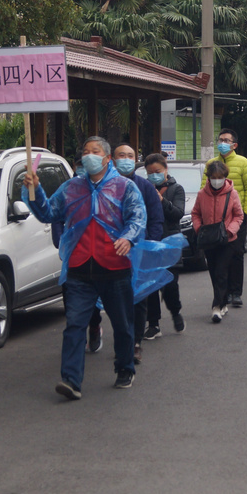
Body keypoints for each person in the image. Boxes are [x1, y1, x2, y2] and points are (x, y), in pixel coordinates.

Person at [22, 136, 146, 395]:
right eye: (85, 151)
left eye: (95, 151)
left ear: (106, 158)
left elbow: (137, 217)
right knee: (74, 326)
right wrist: (34, 191)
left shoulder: (125, 187)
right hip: (79, 269)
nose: (89, 155)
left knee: (123, 324)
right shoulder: (71, 188)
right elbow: (48, 212)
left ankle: (125, 368)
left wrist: (127, 237)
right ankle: (71, 380)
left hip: (114, 267)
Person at [88, 143, 163, 364]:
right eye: (122, 155)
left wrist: (150, 247)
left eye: (131, 156)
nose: (126, 159)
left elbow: (155, 220)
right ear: (112, 159)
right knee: (95, 296)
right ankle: (94, 325)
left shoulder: (145, 187)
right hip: (104, 254)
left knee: (137, 298)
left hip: (136, 253)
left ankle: (135, 343)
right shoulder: (100, 187)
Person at [201, 128, 247, 308]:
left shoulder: (243, 163)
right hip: (214, 221)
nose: (222, 143)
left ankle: (235, 292)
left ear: (234, 145)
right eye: (220, 140)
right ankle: (220, 294)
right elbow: (203, 192)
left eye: (226, 140)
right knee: (217, 258)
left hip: (237, 218)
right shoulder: (211, 163)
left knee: (236, 255)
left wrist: (246, 213)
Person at [192, 160, 244, 322]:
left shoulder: (232, 193)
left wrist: (230, 230)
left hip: (227, 240)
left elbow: (238, 215)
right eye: (213, 177)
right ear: (208, 178)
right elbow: (196, 214)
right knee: (214, 272)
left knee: (221, 271)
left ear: (224, 177)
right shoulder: (202, 194)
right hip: (209, 239)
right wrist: (199, 228)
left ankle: (217, 306)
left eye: (219, 177)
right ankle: (222, 303)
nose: (216, 180)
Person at [143, 153, 185, 337]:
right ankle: (153, 324)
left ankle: (175, 311)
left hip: (169, 242)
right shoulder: (142, 188)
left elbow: (177, 213)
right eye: (150, 172)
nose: (154, 175)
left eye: (157, 171)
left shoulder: (176, 189)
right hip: (149, 243)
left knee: (169, 283)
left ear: (166, 169)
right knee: (150, 285)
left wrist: (161, 200)